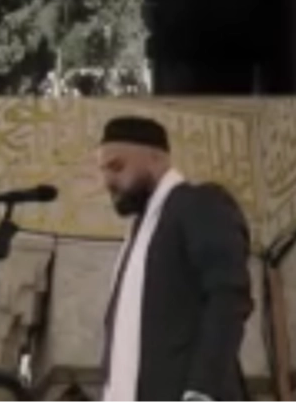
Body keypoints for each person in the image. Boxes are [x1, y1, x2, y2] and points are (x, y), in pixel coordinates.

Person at [97, 115, 251, 402]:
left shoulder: (198, 203)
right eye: (104, 171)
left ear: (155, 158)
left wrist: (202, 391)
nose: (108, 181)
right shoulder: (137, 235)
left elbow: (228, 295)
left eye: (117, 167)